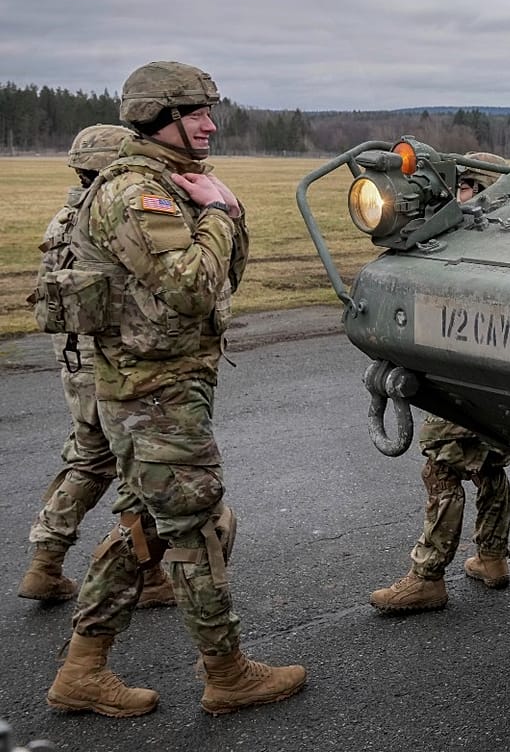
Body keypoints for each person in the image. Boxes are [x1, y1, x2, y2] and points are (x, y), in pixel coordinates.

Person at [45, 61, 305, 718]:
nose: (210, 124)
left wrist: (221, 207)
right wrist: (218, 212)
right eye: (196, 114)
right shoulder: (138, 193)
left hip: (160, 389)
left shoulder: (169, 182)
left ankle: (82, 669)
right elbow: (191, 287)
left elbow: (221, 279)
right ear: (159, 119)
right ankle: (227, 673)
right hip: (153, 395)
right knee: (198, 526)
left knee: (143, 526)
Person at [18, 125, 175, 611]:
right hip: (109, 359)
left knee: (91, 458)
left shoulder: (64, 218)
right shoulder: (113, 217)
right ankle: (146, 576)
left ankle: (45, 561)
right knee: (136, 467)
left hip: (73, 356)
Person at [370, 152, 510, 613]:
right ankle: (492, 557)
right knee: (489, 465)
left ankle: (427, 575)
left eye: (466, 187)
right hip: (499, 379)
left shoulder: (472, 239)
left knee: (442, 467)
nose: (455, 196)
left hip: (465, 377)